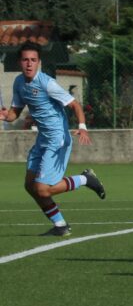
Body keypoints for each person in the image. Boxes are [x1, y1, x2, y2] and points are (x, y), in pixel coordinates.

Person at [0, 41, 106, 236]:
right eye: (25, 60)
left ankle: (85, 179)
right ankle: (60, 226)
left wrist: (82, 127)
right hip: (43, 140)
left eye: (33, 60)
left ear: (39, 62)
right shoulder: (19, 83)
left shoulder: (47, 83)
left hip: (58, 140)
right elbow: (15, 113)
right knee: (30, 186)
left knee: (42, 189)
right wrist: (5, 116)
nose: (29, 64)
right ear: (19, 62)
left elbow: (75, 105)